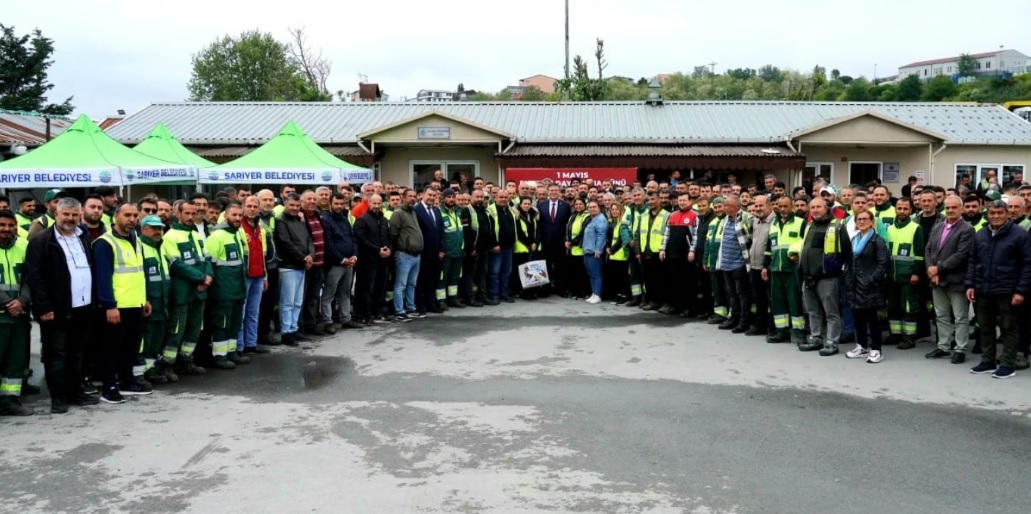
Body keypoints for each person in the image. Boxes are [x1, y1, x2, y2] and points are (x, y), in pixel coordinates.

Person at [25, 197, 101, 414]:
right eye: (65, 214)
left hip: (84, 307)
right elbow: (35, 277)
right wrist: (43, 307)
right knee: (56, 355)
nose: (70, 218)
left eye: (74, 214)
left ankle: (75, 392)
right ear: (56, 214)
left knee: (78, 353)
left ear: (80, 215)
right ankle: (58, 397)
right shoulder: (41, 240)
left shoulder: (84, 236)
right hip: (56, 309)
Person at [93, 202, 152, 402]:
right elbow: (103, 277)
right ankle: (109, 387)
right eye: (127, 215)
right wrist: (110, 305)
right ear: (116, 216)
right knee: (110, 348)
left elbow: (139, 272)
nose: (132, 219)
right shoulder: (105, 243)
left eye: (135, 215)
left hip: (135, 303)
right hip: (117, 306)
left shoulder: (137, 239)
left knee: (130, 346)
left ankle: (127, 381)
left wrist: (145, 299)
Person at [966, 200, 1031, 379]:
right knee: (985, 327)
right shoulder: (980, 234)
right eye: (992, 213)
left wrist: (1020, 291)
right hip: (982, 289)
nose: (995, 216)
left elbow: (1027, 265)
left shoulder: (1019, 235)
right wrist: (970, 284)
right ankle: (987, 361)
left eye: (999, 213)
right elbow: (972, 261)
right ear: (987, 214)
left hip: (1007, 290)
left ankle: (1007, 365)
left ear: (1007, 213)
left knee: (1008, 328)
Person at [162, 200, 213, 375]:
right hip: (182, 292)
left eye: (194, 213)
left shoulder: (197, 235)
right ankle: (168, 365)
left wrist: (208, 277)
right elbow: (177, 264)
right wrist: (201, 278)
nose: (191, 217)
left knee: (194, 329)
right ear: (178, 213)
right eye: (187, 213)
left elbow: (207, 259)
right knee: (176, 330)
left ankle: (187, 361)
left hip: (199, 291)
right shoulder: (170, 236)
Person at [924, 195, 974, 364]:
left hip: (956, 280)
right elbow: (928, 249)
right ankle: (943, 346)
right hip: (936, 279)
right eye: (948, 207)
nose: (950, 210)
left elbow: (961, 255)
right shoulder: (938, 227)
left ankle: (960, 348)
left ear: (961, 209)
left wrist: (938, 268)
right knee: (941, 315)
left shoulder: (967, 229)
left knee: (960, 317)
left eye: (954, 207)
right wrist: (932, 271)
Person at [798, 197, 852, 355]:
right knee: (812, 311)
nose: (815, 210)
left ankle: (832, 342)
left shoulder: (837, 225)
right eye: (812, 207)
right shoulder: (809, 225)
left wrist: (839, 272)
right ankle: (815, 338)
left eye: (818, 207)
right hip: (808, 276)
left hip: (827, 277)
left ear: (827, 208)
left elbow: (846, 251)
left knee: (831, 312)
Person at [204, 203, 249, 369]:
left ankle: (231, 352)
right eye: (234, 215)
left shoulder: (235, 234)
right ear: (225, 216)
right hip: (222, 292)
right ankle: (219, 356)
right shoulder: (216, 236)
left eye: (239, 215)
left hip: (237, 290)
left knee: (234, 324)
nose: (237, 218)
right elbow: (210, 264)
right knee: (221, 324)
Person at [844, 210, 889, 363]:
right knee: (858, 318)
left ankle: (876, 349)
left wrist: (872, 280)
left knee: (872, 319)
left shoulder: (877, 240)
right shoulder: (854, 239)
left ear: (872, 221)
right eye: (859, 219)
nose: (862, 222)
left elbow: (882, 263)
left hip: (871, 286)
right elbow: (850, 262)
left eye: (865, 219)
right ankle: (862, 346)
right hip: (855, 285)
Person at [0, 210, 33, 416]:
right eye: (2, 225)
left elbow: (30, 278)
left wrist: (22, 301)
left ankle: (10, 400)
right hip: (2, 314)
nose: (6, 229)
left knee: (16, 360)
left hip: (19, 315)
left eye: (11, 225)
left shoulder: (24, 245)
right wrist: (8, 303)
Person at [763, 194, 808, 344]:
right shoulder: (773, 224)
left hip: (792, 270)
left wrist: (798, 256)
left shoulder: (801, 223)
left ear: (792, 207)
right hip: (775, 269)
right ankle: (782, 332)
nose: (782, 209)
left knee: (794, 302)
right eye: (780, 206)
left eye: (785, 206)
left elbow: (805, 244)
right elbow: (770, 248)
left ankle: (800, 333)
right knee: (778, 302)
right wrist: (765, 266)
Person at [137, 214, 173, 386]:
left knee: (156, 340)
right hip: (149, 304)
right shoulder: (140, 246)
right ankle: (141, 373)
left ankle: (150, 370)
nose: (158, 231)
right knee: (145, 340)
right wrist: (144, 299)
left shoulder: (160, 246)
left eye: (159, 228)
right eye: (153, 228)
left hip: (162, 304)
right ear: (143, 229)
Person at [885, 197, 925, 350]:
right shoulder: (889, 229)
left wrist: (916, 273)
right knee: (893, 306)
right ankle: (895, 335)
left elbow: (920, 254)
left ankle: (909, 337)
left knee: (908, 307)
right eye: (899, 208)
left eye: (905, 209)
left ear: (910, 210)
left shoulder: (916, 228)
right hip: (891, 276)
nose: (902, 211)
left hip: (908, 276)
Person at [274, 193, 314, 346]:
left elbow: (309, 239)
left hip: (302, 265)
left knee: (298, 302)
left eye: (297, 206)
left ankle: (294, 328)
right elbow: (285, 243)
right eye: (291, 205)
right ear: (285, 203)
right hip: (288, 267)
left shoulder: (300, 220)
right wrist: (304, 258)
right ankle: (286, 332)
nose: (294, 208)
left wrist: (311, 255)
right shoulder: (280, 221)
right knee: (287, 302)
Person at [320, 192, 363, 331]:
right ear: (330, 204)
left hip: (349, 262)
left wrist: (354, 256)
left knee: (345, 293)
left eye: (342, 204)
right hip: (335, 263)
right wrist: (341, 259)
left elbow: (353, 238)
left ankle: (346, 318)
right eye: (336, 204)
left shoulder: (345, 219)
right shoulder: (325, 220)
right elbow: (329, 243)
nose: (339, 206)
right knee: (328, 294)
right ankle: (327, 321)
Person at [237, 196, 270, 355]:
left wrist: (265, 276)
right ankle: (239, 346)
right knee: (241, 313)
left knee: (253, 312)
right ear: (242, 207)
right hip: (244, 276)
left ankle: (251, 343)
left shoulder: (260, 227)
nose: (251, 209)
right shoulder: (238, 226)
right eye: (248, 206)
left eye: (254, 206)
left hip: (258, 275)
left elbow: (262, 255)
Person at [715, 195, 751, 332]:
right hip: (726, 263)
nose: (724, 207)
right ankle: (733, 318)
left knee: (742, 294)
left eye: (726, 205)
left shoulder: (747, 218)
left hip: (739, 264)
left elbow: (750, 239)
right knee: (731, 293)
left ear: (735, 207)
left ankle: (744, 321)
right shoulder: (725, 220)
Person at [354, 194, 391, 325]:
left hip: (383, 260)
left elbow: (388, 236)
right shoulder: (362, 220)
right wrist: (377, 250)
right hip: (368, 261)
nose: (376, 206)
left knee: (380, 288)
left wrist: (388, 249)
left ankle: (378, 312)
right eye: (374, 203)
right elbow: (361, 239)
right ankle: (366, 314)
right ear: (369, 203)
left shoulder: (384, 220)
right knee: (367, 289)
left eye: (378, 203)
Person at [660, 193, 698, 316]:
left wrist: (692, 250)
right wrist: (662, 249)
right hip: (672, 254)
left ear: (690, 201)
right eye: (680, 200)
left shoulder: (695, 215)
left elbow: (696, 236)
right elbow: (666, 234)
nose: (681, 202)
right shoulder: (672, 215)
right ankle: (676, 305)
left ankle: (689, 308)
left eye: (684, 200)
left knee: (688, 283)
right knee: (674, 281)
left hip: (686, 255)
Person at [388, 189, 423, 321]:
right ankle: (399, 311)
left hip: (416, 255)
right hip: (404, 254)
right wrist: (402, 246)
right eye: (410, 196)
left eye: (414, 196)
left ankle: (411, 308)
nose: (413, 199)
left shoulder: (413, 212)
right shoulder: (398, 213)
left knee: (411, 284)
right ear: (403, 197)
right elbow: (393, 234)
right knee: (400, 285)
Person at [299, 191, 326, 335]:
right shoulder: (300, 218)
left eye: (314, 199)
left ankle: (311, 325)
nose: (312, 201)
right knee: (302, 298)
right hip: (307, 264)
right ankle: (300, 326)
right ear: (302, 201)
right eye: (308, 199)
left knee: (314, 297)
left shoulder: (317, 216)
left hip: (320, 264)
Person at [637, 192, 670, 311]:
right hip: (646, 252)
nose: (650, 202)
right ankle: (653, 301)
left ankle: (665, 303)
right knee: (649, 280)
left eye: (653, 199)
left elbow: (668, 234)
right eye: (648, 200)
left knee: (662, 280)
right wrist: (638, 252)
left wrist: (664, 249)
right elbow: (638, 234)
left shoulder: (667, 215)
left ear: (659, 200)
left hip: (659, 253)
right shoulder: (644, 216)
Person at [255, 189, 280, 345]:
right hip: (258, 267)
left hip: (273, 265)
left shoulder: (275, 217)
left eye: (271, 200)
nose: (268, 203)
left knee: (270, 301)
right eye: (264, 200)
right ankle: (256, 334)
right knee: (258, 303)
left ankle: (264, 332)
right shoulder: (253, 218)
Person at [538, 184, 571, 297]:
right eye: (551, 190)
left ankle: (560, 289)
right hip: (545, 242)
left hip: (560, 242)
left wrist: (566, 239)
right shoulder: (541, 205)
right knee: (545, 266)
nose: (553, 192)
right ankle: (545, 290)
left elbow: (568, 224)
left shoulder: (565, 206)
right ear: (548, 192)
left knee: (560, 267)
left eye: (555, 190)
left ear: (559, 192)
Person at [487, 189, 517, 305]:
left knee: (506, 272)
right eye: (501, 197)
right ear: (495, 198)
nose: (503, 199)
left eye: (505, 197)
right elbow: (489, 230)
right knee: (494, 273)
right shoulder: (490, 210)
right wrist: (494, 244)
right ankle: (494, 295)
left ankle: (504, 293)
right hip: (497, 248)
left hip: (508, 247)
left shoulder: (510, 210)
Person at [437, 189, 466, 307]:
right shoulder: (439, 211)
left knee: (455, 277)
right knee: (442, 278)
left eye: (453, 197)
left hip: (458, 251)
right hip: (446, 252)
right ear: (443, 198)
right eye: (448, 197)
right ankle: (441, 300)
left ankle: (453, 298)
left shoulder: (459, 211)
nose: (451, 199)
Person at [513, 196, 540, 300]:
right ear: (520, 204)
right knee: (521, 272)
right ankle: (522, 292)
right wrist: (530, 243)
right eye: (524, 203)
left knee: (531, 271)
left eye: (529, 204)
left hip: (532, 247)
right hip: (521, 248)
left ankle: (531, 291)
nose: (527, 206)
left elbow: (538, 231)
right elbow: (519, 232)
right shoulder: (517, 216)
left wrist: (535, 243)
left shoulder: (533, 215)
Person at [581, 200, 609, 304]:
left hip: (594, 252)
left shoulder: (601, 220)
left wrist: (598, 250)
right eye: (590, 207)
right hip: (588, 251)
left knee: (596, 274)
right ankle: (593, 293)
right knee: (591, 274)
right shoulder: (592, 219)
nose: (592, 209)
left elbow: (601, 236)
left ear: (599, 208)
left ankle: (597, 295)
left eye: (594, 207)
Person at [604, 203, 631, 303]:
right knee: (615, 276)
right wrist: (607, 247)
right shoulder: (610, 222)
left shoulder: (623, 222)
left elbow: (621, 238)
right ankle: (618, 294)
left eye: (616, 209)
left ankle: (624, 295)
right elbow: (607, 237)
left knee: (623, 276)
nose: (614, 211)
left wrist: (612, 249)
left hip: (621, 252)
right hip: (612, 254)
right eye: (612, 209)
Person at [565, 198, 589, 299]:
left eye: (580, 204)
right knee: (574, 273)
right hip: (572, 250)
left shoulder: (587, 216)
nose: (578, 206)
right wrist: (566, 240)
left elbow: (583, 232)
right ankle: (576, 292)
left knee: (582, 273)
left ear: (584, 205)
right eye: (576, 204)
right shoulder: (573, 216)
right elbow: (567, 230)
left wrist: (572, 242)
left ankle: (583, 292)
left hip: (581, 248)